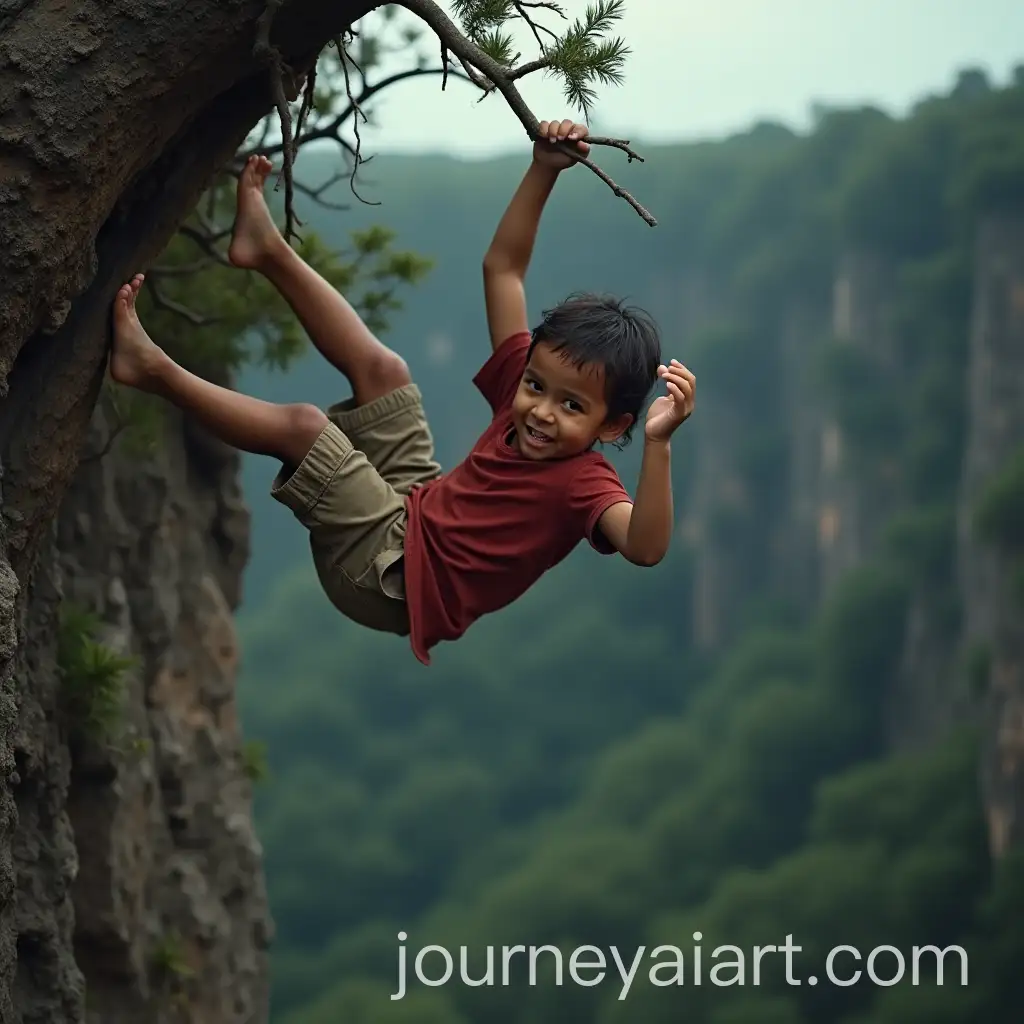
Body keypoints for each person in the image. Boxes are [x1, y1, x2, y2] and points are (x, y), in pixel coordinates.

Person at [109, 117, 696, 666]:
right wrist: (542, 168)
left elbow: (644, 547)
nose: (541, 411)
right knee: (384, 371)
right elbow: (503, 271)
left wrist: (660, 444)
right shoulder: (524, 392)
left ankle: (150, 367)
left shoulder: (584, 484)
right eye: (537, 386)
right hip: (415, 508)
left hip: (395, 580)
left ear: (612, 426)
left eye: (572, 406)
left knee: (305, 430)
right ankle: (266, 250)